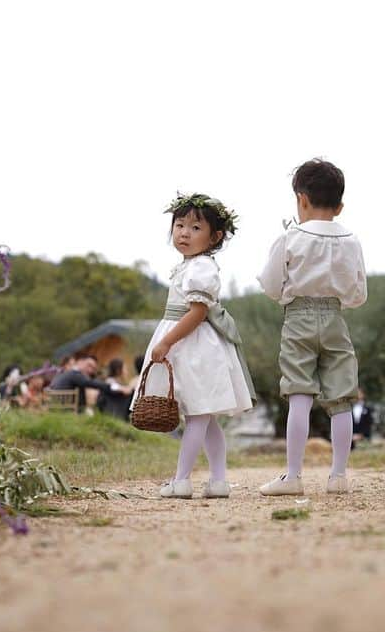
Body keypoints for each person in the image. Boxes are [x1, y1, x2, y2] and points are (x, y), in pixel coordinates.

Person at [257, 159, 367, 496]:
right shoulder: (351, 240)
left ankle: (293, 477)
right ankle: (338, 476)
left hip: (299, 317)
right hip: (335, 317)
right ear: (340, 205)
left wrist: (289, 295)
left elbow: (271, 285)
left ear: (301, 199)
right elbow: (358, 292)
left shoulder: (290, 238)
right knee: (342, 397)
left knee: (299, 393)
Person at [136, 193, 255, 499]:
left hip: (194, 345)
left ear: (215, 237)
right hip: (186, 341)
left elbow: (198, 312)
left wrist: (166, 341)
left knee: (199, 415)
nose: (184, 232)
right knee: (204, 414)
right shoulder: (188, 265)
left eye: (195, 227)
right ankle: (217, 481)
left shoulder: (202, 267)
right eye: (179, 225)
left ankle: (182, 479)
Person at [48, 355, 113, 412]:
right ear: (80, 362)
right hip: (66, 410)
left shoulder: (62, 374)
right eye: (89, 365)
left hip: (54, 408)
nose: (90, 370)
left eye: (93, 368)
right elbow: (91, 383)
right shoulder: (74, 374)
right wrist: (112, 386)